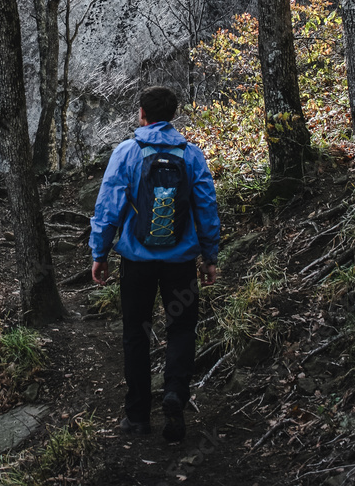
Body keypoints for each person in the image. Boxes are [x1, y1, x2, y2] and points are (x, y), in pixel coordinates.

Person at [89, 85, 220, 442]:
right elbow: (206, 208)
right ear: (172, 115)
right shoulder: (191, 155)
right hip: (181, 261)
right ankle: (175, 394)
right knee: (181, 329)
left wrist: (99, 254)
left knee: (136, 335)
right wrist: (210, 256)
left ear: (141, 114)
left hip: (137, 262)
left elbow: (108, 207)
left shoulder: (127, 152)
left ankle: (137, 418)